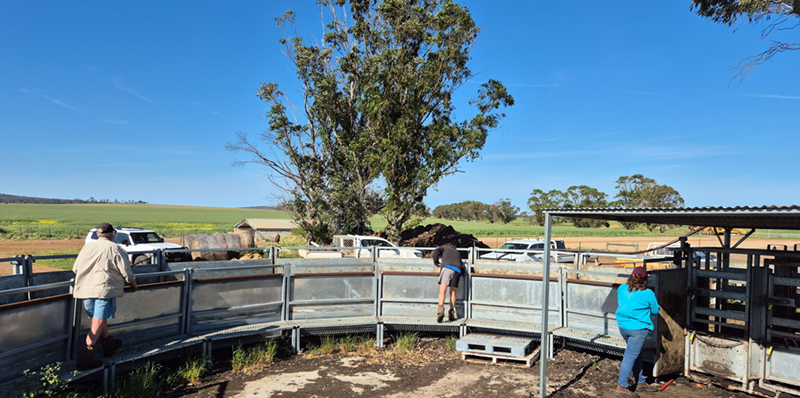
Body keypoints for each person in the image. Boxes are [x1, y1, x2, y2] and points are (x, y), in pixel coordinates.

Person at [73, 222, 138, 370]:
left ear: (97, 234)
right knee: (98, 320)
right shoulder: (115, 248)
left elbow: (75, 268)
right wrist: (132, 283)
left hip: (86, 289)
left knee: (98, 319)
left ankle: (109, 346)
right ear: (111, 234)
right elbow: (126, 270)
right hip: (104, 289)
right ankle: (86, 357)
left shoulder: (86, 248)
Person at [614, 266, 660, 397]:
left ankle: (641, 382)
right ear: (646, 279)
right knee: (630, 356)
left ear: (632, 275)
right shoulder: (648, 293)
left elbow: (623, 303)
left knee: (636, 353)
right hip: (638, 330)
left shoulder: (622, 288)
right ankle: (621, 387)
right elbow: (655, 310)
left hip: (623, 326)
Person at [432, 244, 463, 323]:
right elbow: (461, 264)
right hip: (457, 269)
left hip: (447, 267)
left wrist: (436, 262)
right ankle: (451, 313)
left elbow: (436, 251)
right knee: (453, 292)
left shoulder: (444, 248)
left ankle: (441, 310)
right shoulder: (457, 252)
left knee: (443, 290)